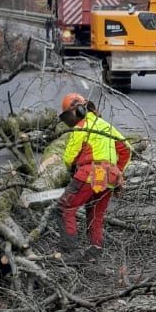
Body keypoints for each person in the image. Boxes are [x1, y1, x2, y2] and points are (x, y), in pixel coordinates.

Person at [58, 93, 131, 251]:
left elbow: (69, 157)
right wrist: (117, 171)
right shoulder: (106, 126)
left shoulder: (81, 127)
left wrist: (72, 172)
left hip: (92, 172)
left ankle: (69, 252)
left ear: (77, 111)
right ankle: (95, 251)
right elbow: (126, 149)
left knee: (65, 208)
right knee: (95, 215)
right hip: (107, 177)